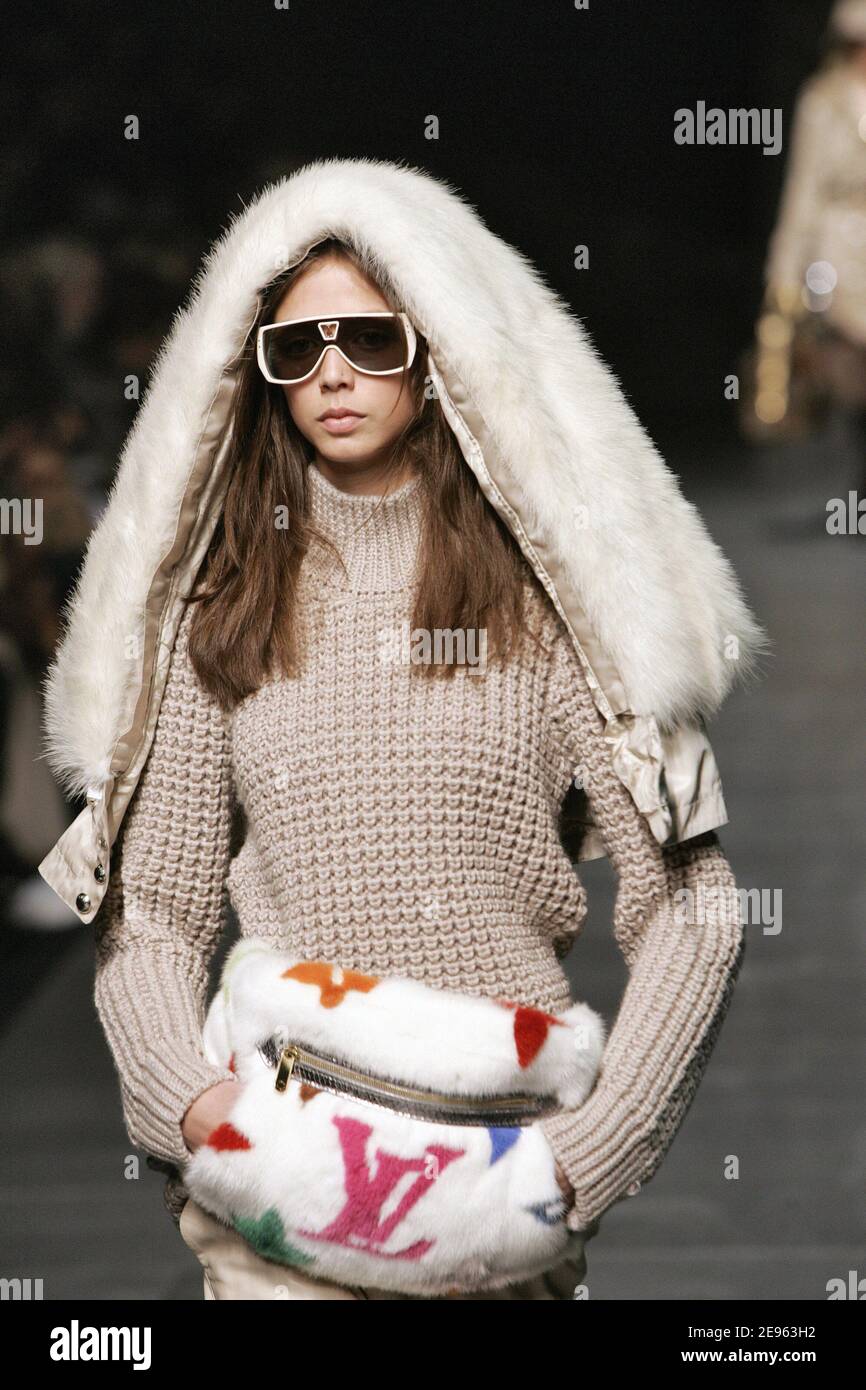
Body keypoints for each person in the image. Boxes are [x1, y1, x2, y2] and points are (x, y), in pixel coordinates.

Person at [37, 159, 767, 1299]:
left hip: (493, 1183)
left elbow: (691, 902)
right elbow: (154, 909)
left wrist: (578, 1166)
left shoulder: (549, 604)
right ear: (259, 371)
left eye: (370, 339)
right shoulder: (222, 602)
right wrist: (195, 1107)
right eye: (297, 347)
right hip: (278, 1172)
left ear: (436, 350)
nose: (332, 372)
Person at [756, 0, 866, 496]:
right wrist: (784, 275)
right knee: (849, 370)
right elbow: (802, 193)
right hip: (839, 252)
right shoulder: (822, 102)